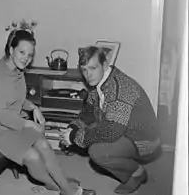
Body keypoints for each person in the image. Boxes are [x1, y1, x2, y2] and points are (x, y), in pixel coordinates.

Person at [0, 28, 95, 195]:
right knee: (33, 157)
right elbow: (2, 116)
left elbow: (15, 98)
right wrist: (28, 124)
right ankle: (59, 186)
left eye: (30, 55)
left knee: (43, 144)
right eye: (22, 52)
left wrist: (33, 108)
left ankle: (62, 185)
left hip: (9, 124)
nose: (26, 59)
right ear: (11, 50)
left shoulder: (16, 71)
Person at [60, 46, 161, 194]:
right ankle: (130, 171)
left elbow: (111, 131)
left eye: (93, 68)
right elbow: (87, 113)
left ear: (105, 64)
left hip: (144, 140)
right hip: (125, 132)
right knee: (93, 133)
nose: (88, 75)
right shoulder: (98, 84)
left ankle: (136, 173)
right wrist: (72, 128)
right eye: (84, 70)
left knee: (98, 152)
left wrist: (75, 137)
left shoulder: (121, 87)